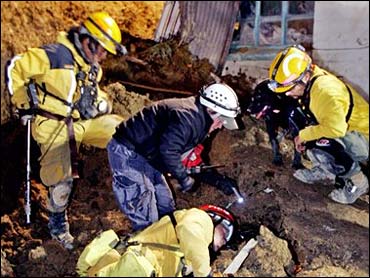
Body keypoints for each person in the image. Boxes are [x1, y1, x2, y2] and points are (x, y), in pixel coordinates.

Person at [5, 12, 127, 249]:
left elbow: (92, 93)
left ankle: (134, 174)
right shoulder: (56, 55)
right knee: (62, 177)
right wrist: (23, 103)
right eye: (101, 49)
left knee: (122, 129)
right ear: (87, 39)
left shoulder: (91, 68)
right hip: (53, 125)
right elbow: (15, 68)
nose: (102, 56)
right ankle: (58, 224)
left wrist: (101, 103)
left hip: (79, 122)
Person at [107, 83, 241, 231]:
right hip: (128, 152)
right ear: (211, 111)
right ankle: (147, 244)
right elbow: (168, 151)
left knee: (165, 204)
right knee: (144, 211)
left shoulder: (199, 123)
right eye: (221, 121)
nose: (220, 126)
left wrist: (219, 181)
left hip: (148, 155)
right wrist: (184, 178)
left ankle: (167, 235)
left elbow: (191, 160)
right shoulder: (187, 118)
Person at [267, 44, 369, 204]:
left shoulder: (325, 91)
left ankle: (358, 182)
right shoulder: (311, 81)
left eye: (290, 88)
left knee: (324, 141)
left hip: (362, 138)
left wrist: (304, 135)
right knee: (306, 126)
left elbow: (336, 129)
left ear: (305, 77)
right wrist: (305, 133)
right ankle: (326, 172)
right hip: (346, 129)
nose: (287, 93)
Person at [76, 204, 236, 277]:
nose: (224, 241)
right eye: (225, 233)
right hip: (134, 267)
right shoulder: (200, 218)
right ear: (215, 219)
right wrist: (205, 273)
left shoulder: (187, 253)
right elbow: (189, 229)